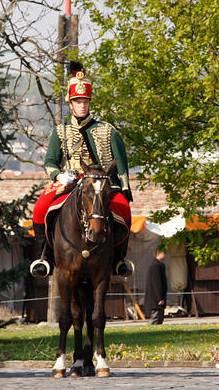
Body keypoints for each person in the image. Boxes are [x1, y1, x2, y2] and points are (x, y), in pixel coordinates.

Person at [30, 61, 134, 278]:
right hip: (70, 182)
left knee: (123, 209)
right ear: (71, 104)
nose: (82, 106)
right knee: (39, 208)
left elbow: (121, 162)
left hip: (101, 183)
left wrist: (123, 188)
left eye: (85, 101)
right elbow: (50, 162)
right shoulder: (61, 131)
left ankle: (119, 259)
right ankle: (43, 257)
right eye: (78, 101)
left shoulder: (108, 130)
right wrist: (59, 175)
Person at [145, 247, 168, 325]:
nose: (165, 255)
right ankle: (149, 330)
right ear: (159, 253)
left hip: (159, 297)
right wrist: (159, 298)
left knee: (159, 317)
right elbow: (156, 283)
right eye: (163, 253)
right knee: (155, 318)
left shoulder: (160, 265)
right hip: (155, 298)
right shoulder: (155, 265)